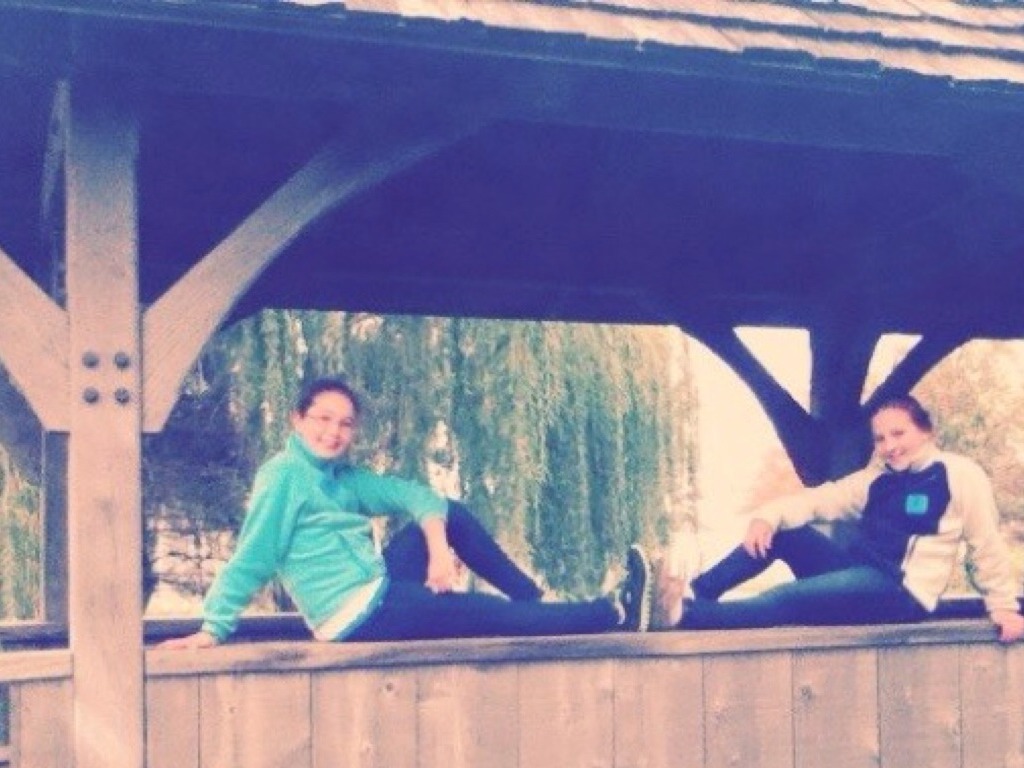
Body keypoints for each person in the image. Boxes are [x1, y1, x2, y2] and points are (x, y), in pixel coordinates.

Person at [160, 376, 652, 648]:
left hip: (379, 589)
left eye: (345, 424)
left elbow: (421, 499)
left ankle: (533, 599)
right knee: (489, 615)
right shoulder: (284, 475)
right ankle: (614, 612)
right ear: (297, 420)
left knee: (447, 515)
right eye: (323, 419)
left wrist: (437, 551)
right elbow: (255, 555)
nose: (333, 433)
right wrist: (213, 627)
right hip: (357, 616)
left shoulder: (343, 477)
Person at [651, 395, 1024, 643]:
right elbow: (821, 499)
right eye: (880, 439)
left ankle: (685, 615)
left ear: (926, 431)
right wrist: (766, 517)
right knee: (787, 533)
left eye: (899, 433)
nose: (890, 446)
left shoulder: (959, 475)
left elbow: (985, 545)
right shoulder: (876, 479)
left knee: (786, 598)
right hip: (860, 574)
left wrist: (1004, 608)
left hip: (900, 593)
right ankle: (694, 592)